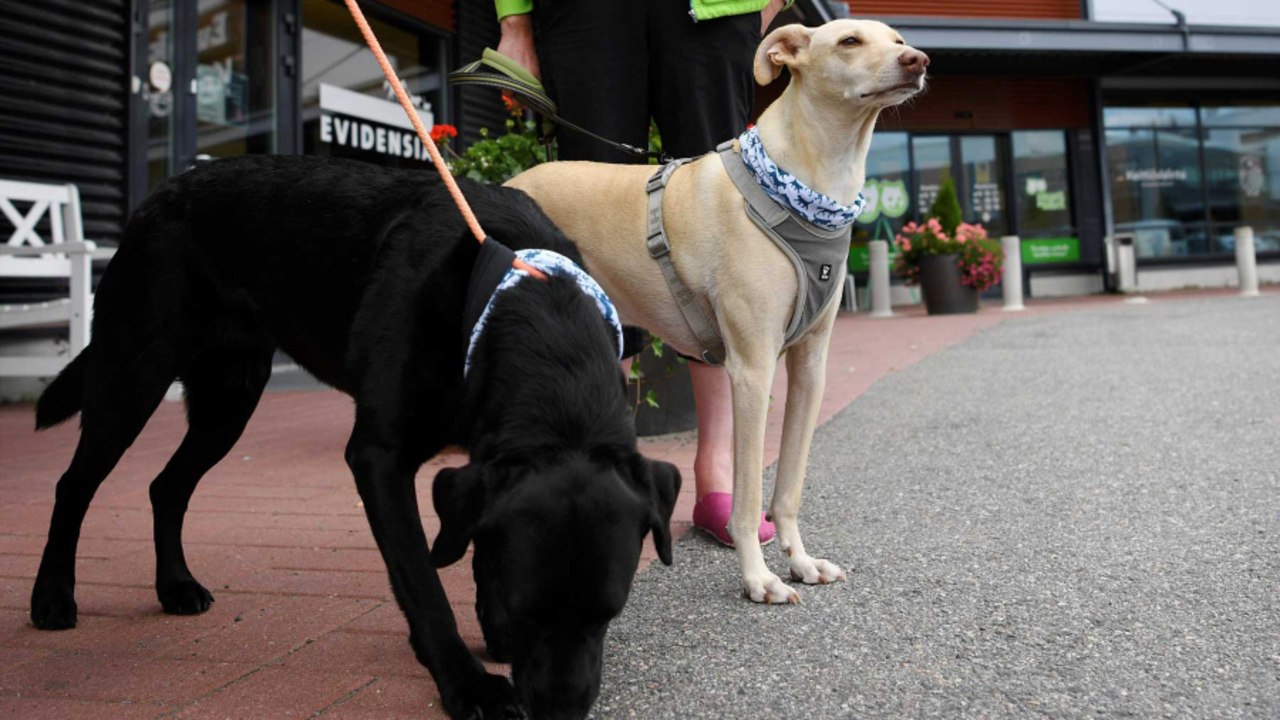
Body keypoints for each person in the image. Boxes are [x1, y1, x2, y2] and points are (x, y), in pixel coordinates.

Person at [495, 0, 788, 546]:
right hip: (589, 13)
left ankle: (717, 472)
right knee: (589, 213)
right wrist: (514, 21)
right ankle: (603, 459)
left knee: (717, 216)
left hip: (714, 10)